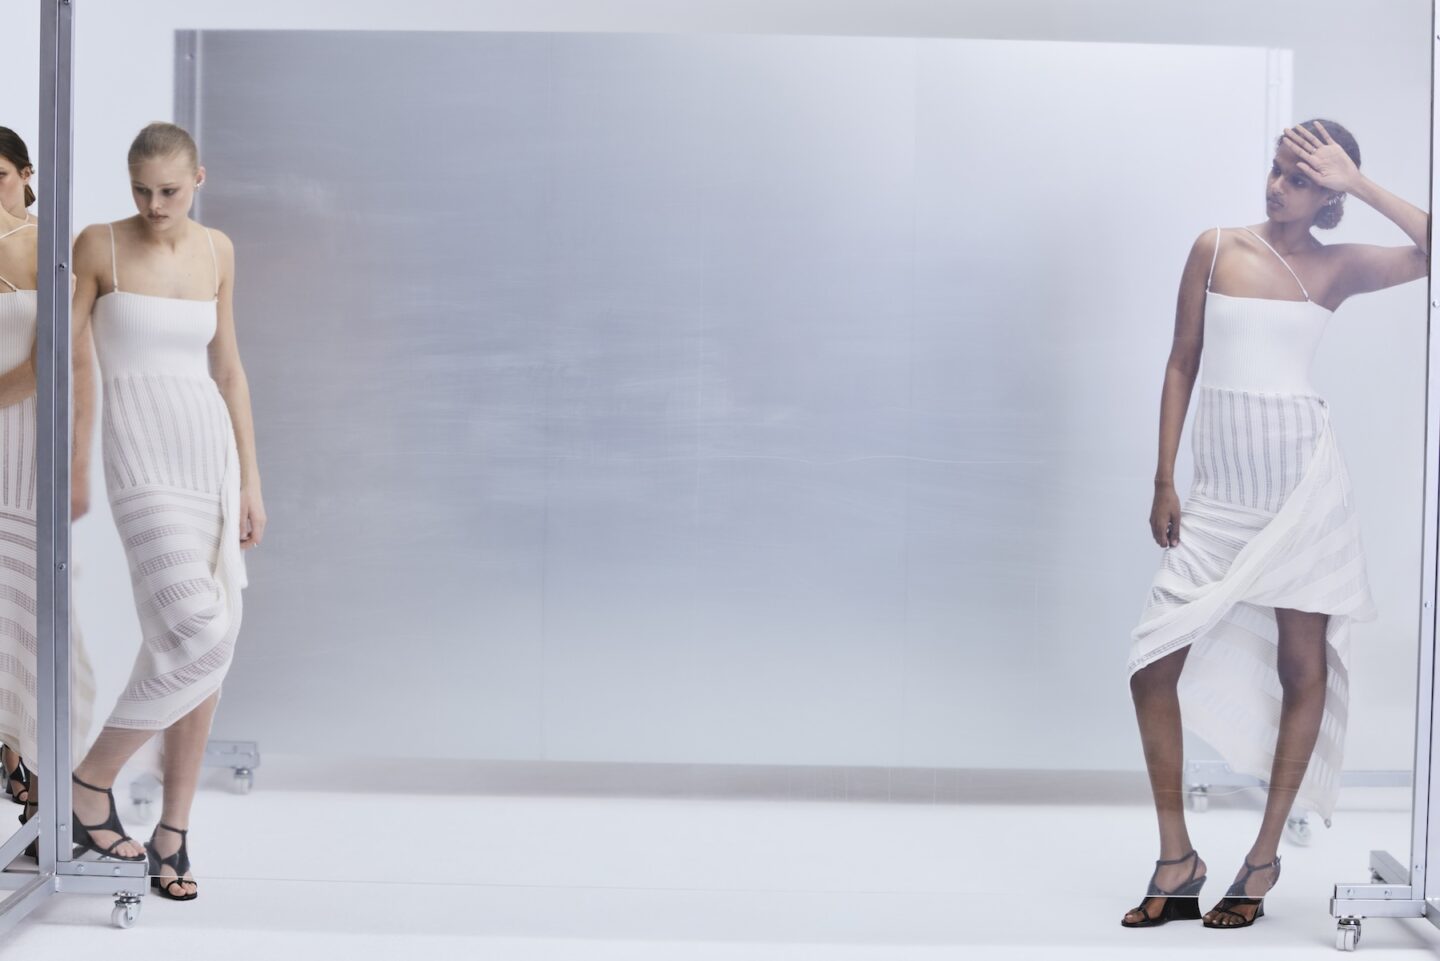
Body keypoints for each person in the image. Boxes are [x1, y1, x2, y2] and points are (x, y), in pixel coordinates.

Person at [1122, 119, 1428, 930]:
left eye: (1301, 178)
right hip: (1219, 494)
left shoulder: (1338, 266)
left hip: (1303, 487)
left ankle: (1262, 856)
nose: (1277, 186)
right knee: (1151, 666)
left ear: (1327, 192)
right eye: (1276, 169)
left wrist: (1358, 182)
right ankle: (1177, 857)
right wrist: (1165, 477)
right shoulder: (1217, 247)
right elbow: (1182, 360)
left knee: (1302, 664)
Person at [68, 122, 264, 900]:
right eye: (142, 190)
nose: (155, 205)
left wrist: (250, 478)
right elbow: (70, 359)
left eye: (171, 191)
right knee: (199, 633)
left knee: (202, 642)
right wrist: (71, 462)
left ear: (199, 180)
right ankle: (91, 781)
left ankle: (173, 832)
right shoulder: (99, 245)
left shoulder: (218, 250)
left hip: (208, 457)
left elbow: (229, 368)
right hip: (140, 459)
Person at [0, 127, 96, 837]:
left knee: (41, 615)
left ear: (27, 174)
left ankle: (44, 787)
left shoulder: (49, 247)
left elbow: (61, 365)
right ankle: (11, 753)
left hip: (30, 450)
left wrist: (81, 465)